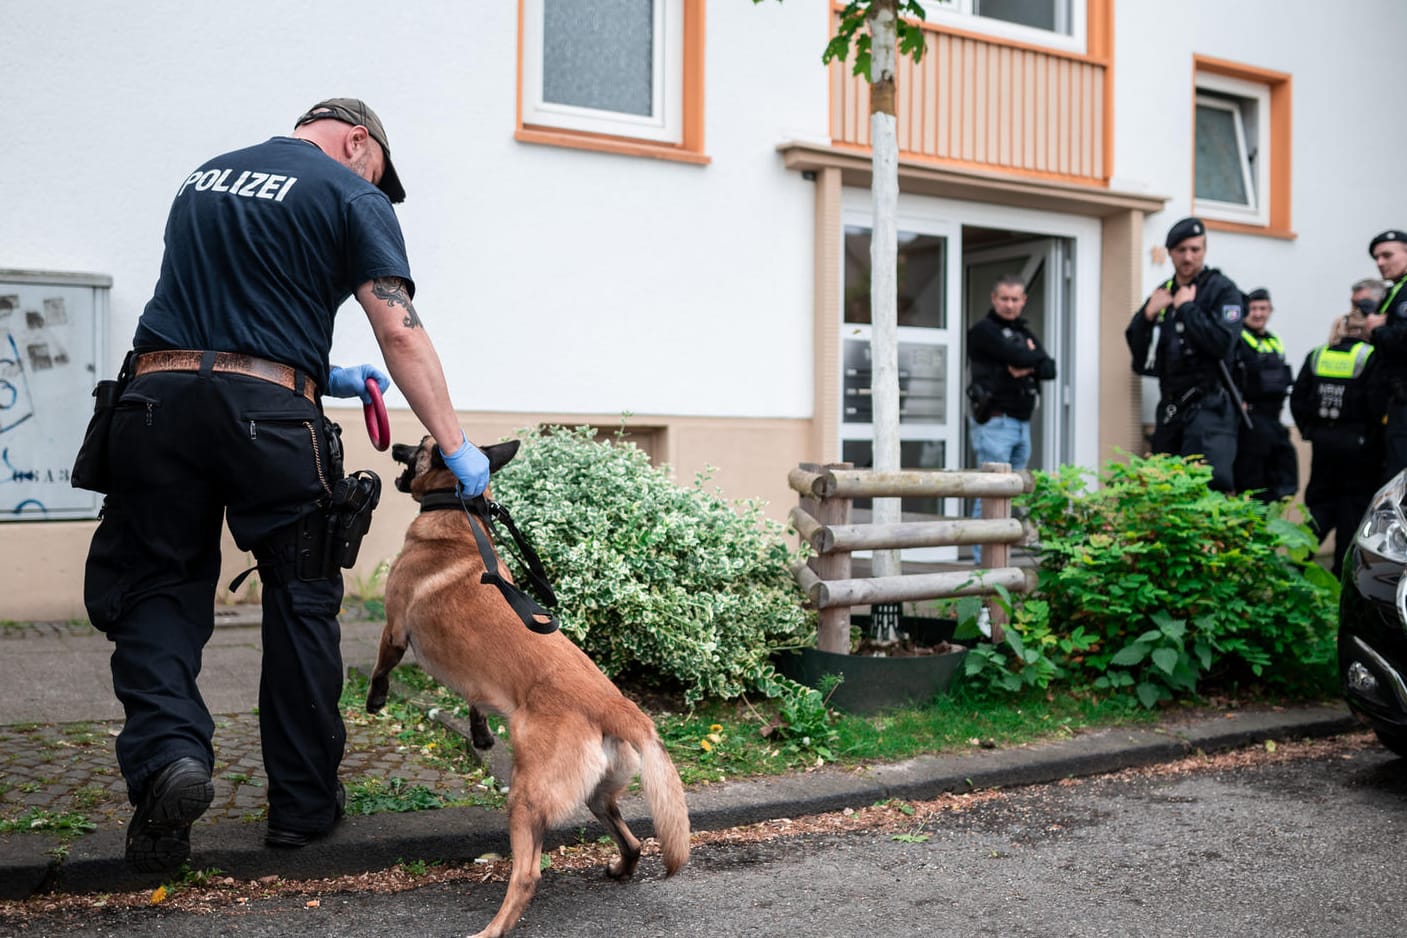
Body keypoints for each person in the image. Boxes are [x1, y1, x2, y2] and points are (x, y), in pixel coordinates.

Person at [81, 98, 491, 873]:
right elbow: (397, 325)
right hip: (268, 423)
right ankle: (301, 807)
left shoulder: (202, 177)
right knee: (301, 600)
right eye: (378, 169)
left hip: (154, 402)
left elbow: (212, 305)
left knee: (156, 587)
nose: (377, 182)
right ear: (357, 140)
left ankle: (170, 756)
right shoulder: (349, 191)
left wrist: (320, 369)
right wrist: (453, 443)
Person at [1125, 217, 1244, 491]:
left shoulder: (1223, 290)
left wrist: (1188, 310)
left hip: (1210, 408)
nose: (1188, 257)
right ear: (1170, 253)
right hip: (1171, 407)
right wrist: (1146, 316)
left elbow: (1222, 343)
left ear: (1204, 250)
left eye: (1195, 249)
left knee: (1205, 488)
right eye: (1181, 250)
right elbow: (1139, 359)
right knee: (1163, 488)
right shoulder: (1165, 292)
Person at [1291, 280, 1387, 576]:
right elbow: (1376, 403)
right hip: (1358, 448)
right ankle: (1340, 577)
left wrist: (1310, 430)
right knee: (1351, 515)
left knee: (1317, 509)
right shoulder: (1371, 357)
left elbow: (1298, 399)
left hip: (1323, 443)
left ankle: (1295, 566)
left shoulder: (1318, 354)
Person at [966, 275, 1056, 563]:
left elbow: (1049, 367)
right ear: (994, 299)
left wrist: (1027, 363)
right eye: (1004, 298)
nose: (1009, 304)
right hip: (996, 422)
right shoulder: (984, 330)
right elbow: (1021, 357)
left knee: (1012, 493)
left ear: (1023, 301)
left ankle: (998, 558)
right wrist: (1028, 360)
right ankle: (983, 564)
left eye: (1015, 299)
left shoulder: (1023, 331)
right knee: (990, 493)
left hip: (1021, 423)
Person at [1231, 288, 1297, 501]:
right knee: (1252, 482)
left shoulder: (1273, 340)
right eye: (1253, 309)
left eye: (1263, 308)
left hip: (1274, 419)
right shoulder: (1237, 339)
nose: (1258, 314)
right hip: (1250, 420)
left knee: (1282, 476)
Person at [1363, 230, 1407, 480]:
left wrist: (1379, 328)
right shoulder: (1395, 290)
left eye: (1387, 255)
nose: (1380, 263)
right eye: (1376, 258)